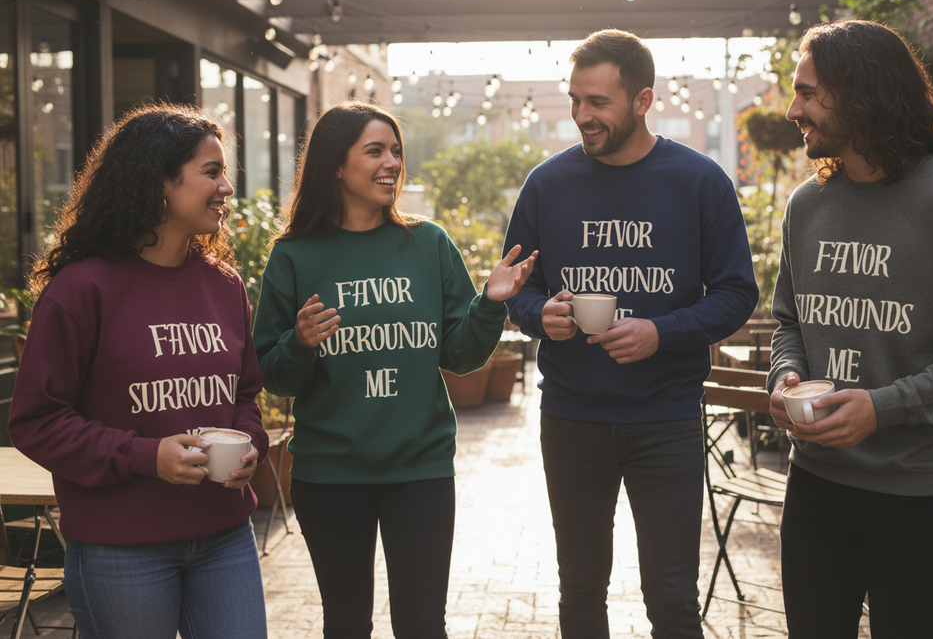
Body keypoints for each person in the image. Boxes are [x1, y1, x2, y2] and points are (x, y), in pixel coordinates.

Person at [767, 19, 933, 638]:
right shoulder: (807, 204)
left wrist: (884, 408)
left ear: (862, 95)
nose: (793, 110)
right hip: (815, 486)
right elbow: (790, 321)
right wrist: (787, 375)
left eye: (807, 93)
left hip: (919, 498)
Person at [501, 29, 759, 638]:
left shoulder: (700, 181)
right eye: (575, 100)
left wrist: (661, 333)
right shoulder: (547, 183)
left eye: (598, 102)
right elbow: (516, 287)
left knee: (671, 598)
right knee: (579, 589)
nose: (582, 115)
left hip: (666, 417)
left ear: (643, 101)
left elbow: (736, 294)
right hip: (571, 417)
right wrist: (540, 315)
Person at [252, 100, 536, 639]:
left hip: (421, 471)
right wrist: (300, 342)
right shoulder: (293, 256)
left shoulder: (429, 243)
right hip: (330, 474)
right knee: (346, 625)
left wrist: (490, 303)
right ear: (337, 165)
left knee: (423, 626)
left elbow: (460, 356)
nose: (391, 163)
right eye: (375, 151)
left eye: (396, 151)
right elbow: (274, 376)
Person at [7, 103, 269, 639]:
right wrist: (145, 456)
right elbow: (37, 421)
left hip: (224, 537)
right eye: (212, 172)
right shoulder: (81, 290)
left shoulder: (224, 285)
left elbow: (244, 396)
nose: (227, 188)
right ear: (159, 182)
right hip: (120, 550)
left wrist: (251, 446)